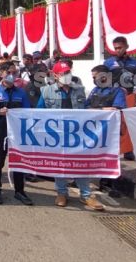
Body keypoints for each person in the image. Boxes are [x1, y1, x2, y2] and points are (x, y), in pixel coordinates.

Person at [37, 61, 105, 211]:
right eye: (62, 73)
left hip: (78, 134)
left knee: (80, 163)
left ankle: (86, 195)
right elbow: (39, 113)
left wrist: (105, 111)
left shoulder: (79, 90)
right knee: (60, 164)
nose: (66, 76)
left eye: (68, 72)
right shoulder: (46, 91)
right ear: (55, 75)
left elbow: (86, 108)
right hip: (57, 135)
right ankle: (62, 193)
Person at [0, 65, 34, 206]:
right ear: (1, 74)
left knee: (18, 161)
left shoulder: (21, 93)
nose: (12, 75)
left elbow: (27, 112)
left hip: (17, 132)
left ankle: (19, 191)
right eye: (9, 72)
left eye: (15, 72)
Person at [85, 65, 127, 198]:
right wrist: (102, 110)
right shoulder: (95, 90)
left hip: (111, 131)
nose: (93, 79)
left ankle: (108, 183)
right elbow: (85, 107)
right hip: (94, 129)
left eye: (94, 76)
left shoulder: (117, 91)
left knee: (110, 156)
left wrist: (97, 109)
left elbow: (116, 109)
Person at [104, 36, 136, 161]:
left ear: (126, 46)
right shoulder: (108, 62)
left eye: (120, 47)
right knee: (114, 124)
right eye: (115, 48)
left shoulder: (135, 62)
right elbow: (103, 80)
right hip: (114, 97)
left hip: (130, 96)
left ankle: (128, 151)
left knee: (128, 125)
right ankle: (113, 151)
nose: (118, 50)